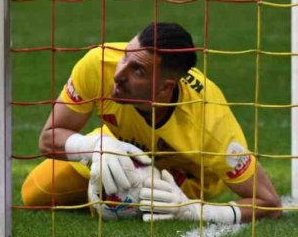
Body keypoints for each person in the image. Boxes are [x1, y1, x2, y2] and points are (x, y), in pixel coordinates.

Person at [22, 22, 282, 223]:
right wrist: (94, 145)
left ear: (164, 88)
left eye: (137, 70)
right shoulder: (98, 64)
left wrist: (194, 211)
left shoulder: (210, 125)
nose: (118, 75)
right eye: (125, 56)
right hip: (113, 148)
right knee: (34, 193)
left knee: (122, 209)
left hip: (180, 179)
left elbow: (269, 203)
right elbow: (48, 138)